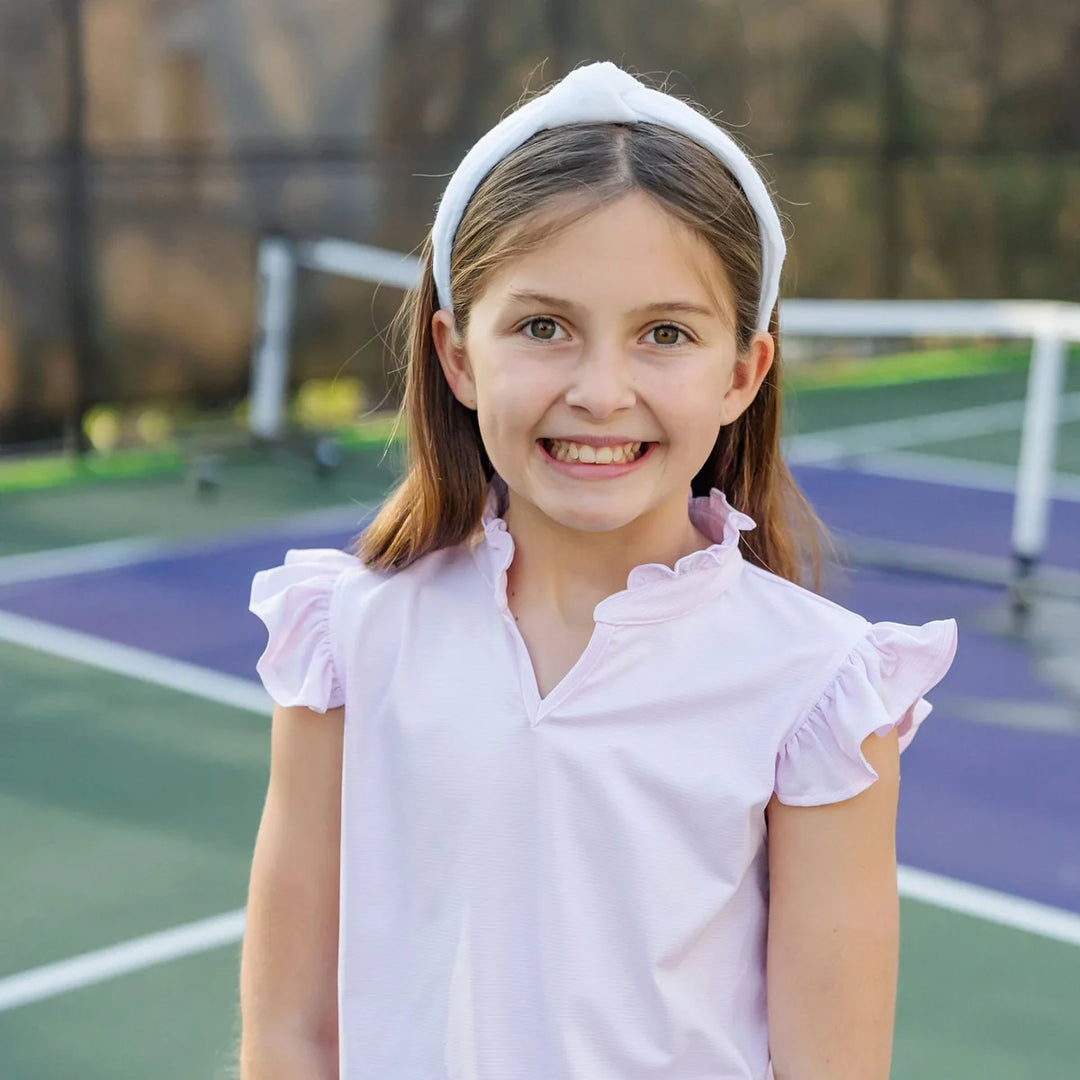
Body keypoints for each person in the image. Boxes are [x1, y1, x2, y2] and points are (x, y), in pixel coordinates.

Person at [239, 62, 957, 1080]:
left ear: (742, 373)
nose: (602, 391)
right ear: (456, 354)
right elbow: (288, 1036)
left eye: (665, 334)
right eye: (544, 327)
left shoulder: (825, 693)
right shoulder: (346, 639)